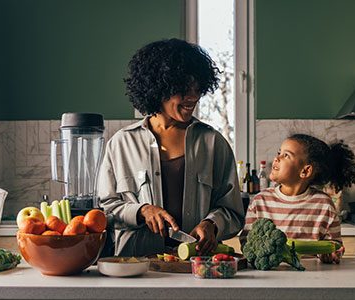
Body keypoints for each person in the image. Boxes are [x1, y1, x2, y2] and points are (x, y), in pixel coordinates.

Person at [97, 38, 245, 257]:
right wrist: (141, 211)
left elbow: (232, 211)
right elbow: (105, 209)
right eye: (183, 89)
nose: (193, 96)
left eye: (197, 87)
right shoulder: (121, 143)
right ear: (159, 89)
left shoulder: (213, 143)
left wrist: (211, 224)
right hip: (135, 267)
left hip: (197, 269)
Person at [241, 133, 355, 264]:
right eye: (279, 152)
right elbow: (246, 242)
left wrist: (332, 253)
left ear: (305, 171)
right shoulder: (260, 201)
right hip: (270, 274)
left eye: (286, 155)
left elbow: (335, 244)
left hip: (312, 275)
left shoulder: (324, 204)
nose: (277, 158)